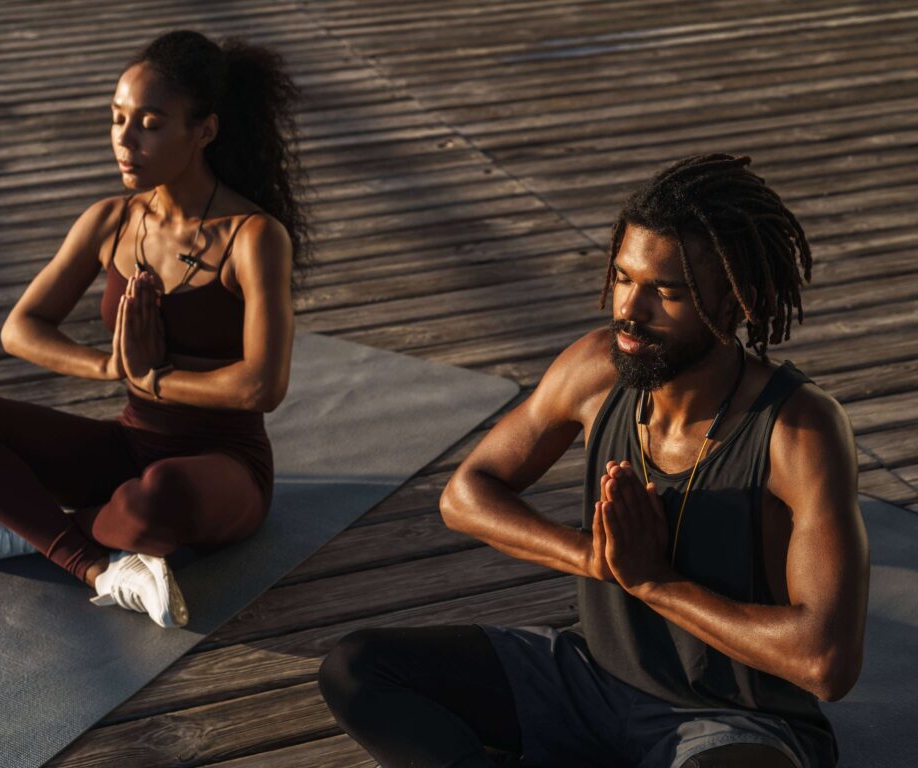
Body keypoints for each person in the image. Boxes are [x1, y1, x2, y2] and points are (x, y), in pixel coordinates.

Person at [318, 154, 869, 767]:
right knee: (358, 669)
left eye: (667, 292)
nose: (630, 311)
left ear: (740, 300)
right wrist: (595, 558)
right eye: (624, 277)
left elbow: (824, 663)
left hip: (729, 720)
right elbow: (465, 495)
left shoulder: (798, 429)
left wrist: (654, 582)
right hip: (587, 678)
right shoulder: (595, 369)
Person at [0, 30, 310, 629]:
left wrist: (154, 378)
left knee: (158, 499)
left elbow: (262, 388)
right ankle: (101, 568)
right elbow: (20, 329)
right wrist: (108, 367)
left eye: (150, 123)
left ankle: (35, 525)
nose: (125, 140)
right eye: (118, 118)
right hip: (129, 446)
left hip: (223, 466)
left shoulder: (252, 238)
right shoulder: (110, 221)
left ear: (204, 130)